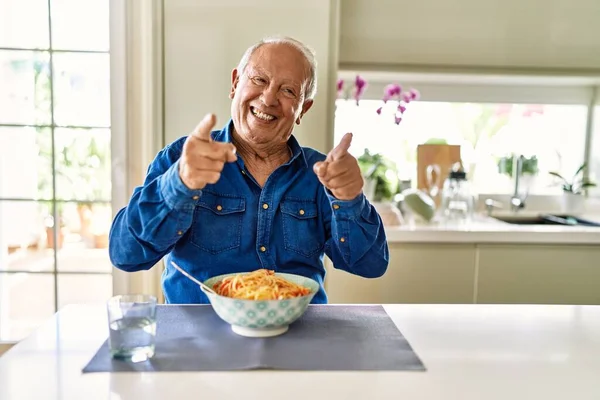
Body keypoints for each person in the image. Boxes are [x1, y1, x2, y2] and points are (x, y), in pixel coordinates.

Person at [108, 36, 389, 304]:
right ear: (235, 84)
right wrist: (178, 184)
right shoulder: (180, 159)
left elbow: (371, 265)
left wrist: (350, 199)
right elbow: (125, 254)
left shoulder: (321, 174)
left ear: (303, 109)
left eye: (288, 90)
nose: (268, 99)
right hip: (200, 341)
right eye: (259, 79)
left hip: (298, 340)